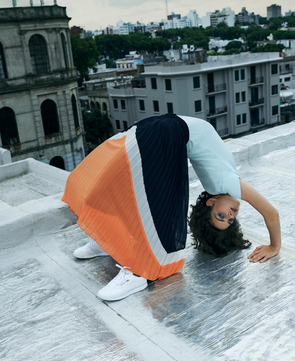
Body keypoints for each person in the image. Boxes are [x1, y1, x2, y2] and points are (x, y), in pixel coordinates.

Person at [62, 114, 281, 301]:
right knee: (143, 197)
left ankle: (130, 264)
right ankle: (127, 259)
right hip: (166, 129)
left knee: (139, 195)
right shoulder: (227, 184)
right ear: (210, 202)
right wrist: (274, 246)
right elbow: (271, 212)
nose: (231, 215)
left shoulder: (219, 185)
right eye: (228, 219)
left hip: (163, 128)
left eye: (221, 217)